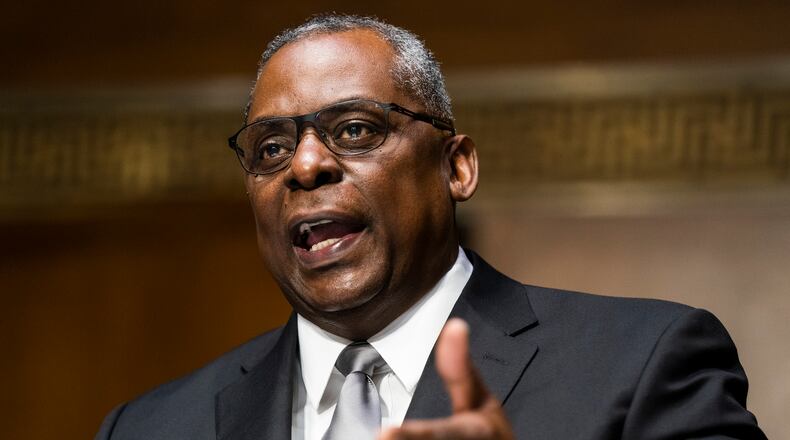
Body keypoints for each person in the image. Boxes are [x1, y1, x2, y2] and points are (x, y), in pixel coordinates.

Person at [95, 14, 766, 440]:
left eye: (355, 129)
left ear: (457, 167)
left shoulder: (646, 361)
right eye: (270, 148)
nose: (304, 165)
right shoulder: (150, 426)